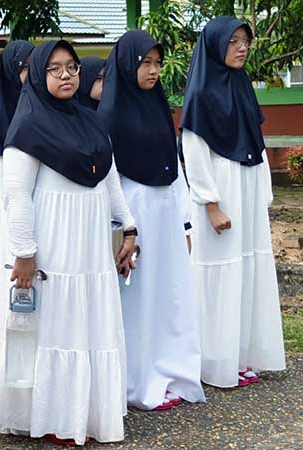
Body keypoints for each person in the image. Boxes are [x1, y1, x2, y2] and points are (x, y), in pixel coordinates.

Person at [0, 41, 137, 446]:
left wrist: (129, 227)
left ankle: (87, 412)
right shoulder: (26, 128)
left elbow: (109, 177)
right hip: (55, 244)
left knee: (88, 319)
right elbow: (16, 196)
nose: (66, 75)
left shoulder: (92, 122)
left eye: (72, 67)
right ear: (39, 75)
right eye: (54, 69)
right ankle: (55, 415)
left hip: (90, 245)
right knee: (58, 323)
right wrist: (24, 253)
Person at [98, 29, 206, 411]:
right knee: (137, 297)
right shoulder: (109, 115)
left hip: (165, 211)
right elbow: (108, 179)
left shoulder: (159, 106)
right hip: (134, 212)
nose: (153, 70)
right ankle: (137, 381)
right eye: (145, 62)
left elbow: (174, 167)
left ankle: (171, 371)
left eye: (157, 63)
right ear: (127, 64)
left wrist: (184, 222)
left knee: (169, 292)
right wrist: (121, 229)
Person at [181, 16, 286, 388]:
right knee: (219, 275)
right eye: (234, 41)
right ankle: (215, 361)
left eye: (245, 41)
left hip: (247, 189)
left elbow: (254, 142)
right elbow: (193, 152)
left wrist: (263, 193)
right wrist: (210, 204)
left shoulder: (241, 86)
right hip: (221, 193)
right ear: (215, 45)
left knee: (246, 273)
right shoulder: (201, 94)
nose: (242, 48)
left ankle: (240, 356)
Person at [0, 39, 34, 373]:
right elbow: (7, 183)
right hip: (11, 215)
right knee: (13, 294)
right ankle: (8, 366)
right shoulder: (3, 118)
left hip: (38, 215)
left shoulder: (41, 113)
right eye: (26, 68)